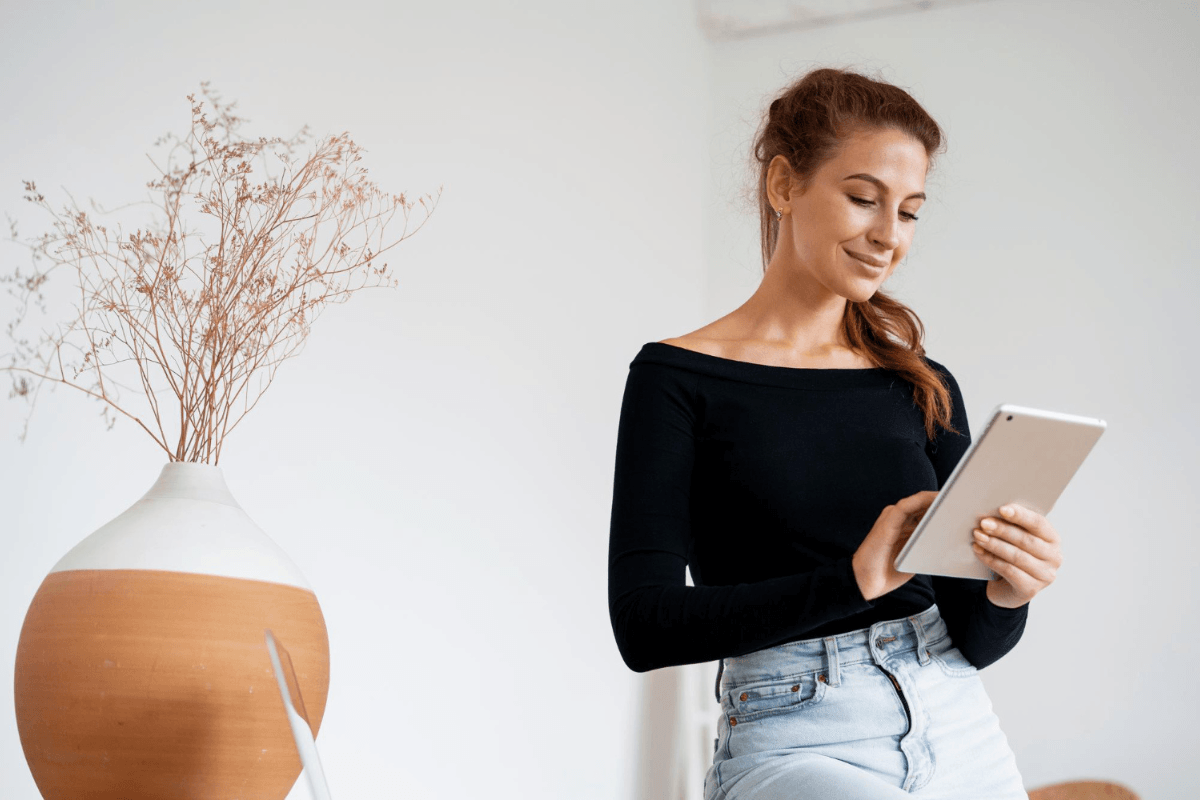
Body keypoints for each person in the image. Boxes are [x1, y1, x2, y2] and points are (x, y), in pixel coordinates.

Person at [606, 67, 1063, 800]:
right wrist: (852, 581)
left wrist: (1011, 591)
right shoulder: (676, 378)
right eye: (863, 199)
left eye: (910, 212)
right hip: (795, 735)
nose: (889, 236)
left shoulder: (922, 382)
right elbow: (644, 624)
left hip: (954, 718)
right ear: (785, 185)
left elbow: (975, 641)